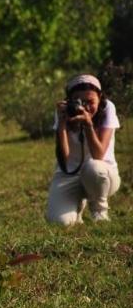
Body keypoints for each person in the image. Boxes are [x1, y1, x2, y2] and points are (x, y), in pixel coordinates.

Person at [45, 74, 121, 225]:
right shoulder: (64, 110)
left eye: (90, 101)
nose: (84, 107)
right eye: (79, 101)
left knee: (93, 166)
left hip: (102, 175)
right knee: (60, 222)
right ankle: (77, 209)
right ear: (70, 100)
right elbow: (64, 158)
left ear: (100, 97)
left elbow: (98, 154)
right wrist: (61, 124)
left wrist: (88, 125)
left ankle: (99, 210)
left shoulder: (107, 108)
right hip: (70, 174)